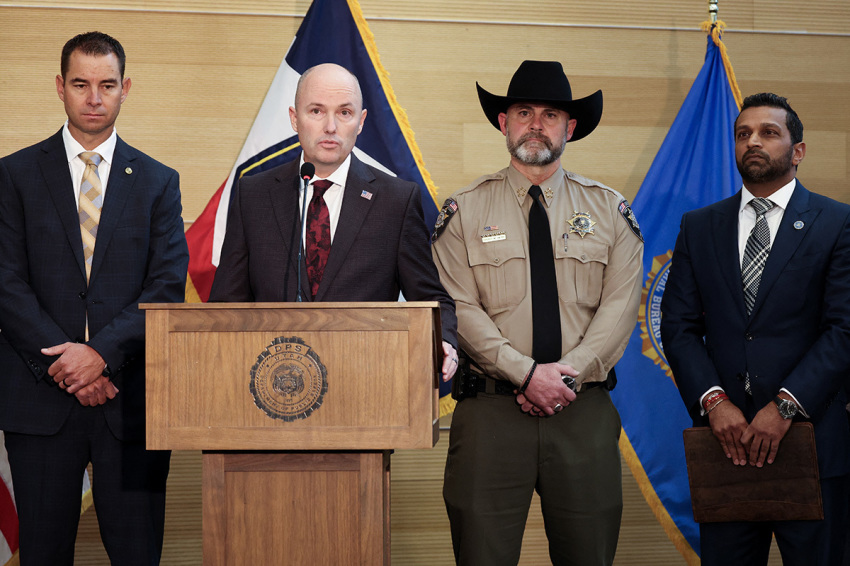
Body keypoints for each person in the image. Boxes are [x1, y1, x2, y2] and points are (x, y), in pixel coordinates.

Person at [431, 60, 644, 565]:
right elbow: (459, 306)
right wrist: (526, 374)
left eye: (550, 115)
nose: (535, 124)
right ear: (503, 123)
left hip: (583, 412)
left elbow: (618, 310)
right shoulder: (462, 212)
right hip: (491, 414)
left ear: (570, 129)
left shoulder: (610, 212)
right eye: (523, 112)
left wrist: (561, 380)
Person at [0, 32, 189, 565]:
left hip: (129, 401)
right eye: (80, 84)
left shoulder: (158, 182)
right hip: (39, 404)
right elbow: (5, 283)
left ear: (125, 89)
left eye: (107, 85)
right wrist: (69, 365)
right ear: (60, 87)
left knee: (137, 554)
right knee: (42, 554)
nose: (93, 98)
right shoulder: (12, 175)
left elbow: (165, 288)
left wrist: (101, 355)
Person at [661, 93, 850, 565]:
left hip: (812, 444)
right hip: (727, 444)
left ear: (797, 150)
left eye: (769, 132)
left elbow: (843, 329)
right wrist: (714, 401)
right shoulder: (699, 226)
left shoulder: (837, 222)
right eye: (743, 134)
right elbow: (678, 326)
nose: (753, 142)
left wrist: (785, 406)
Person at [209, 63, 458, 376]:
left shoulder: (396, 200)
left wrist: (445, 338)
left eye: (344, 113)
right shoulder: (253, 195)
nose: (330, 127)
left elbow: (432, 299)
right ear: (294, 118)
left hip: (365, 381)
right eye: (316, 111)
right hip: (272, 385)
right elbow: (225, 304)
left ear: (361, 121)